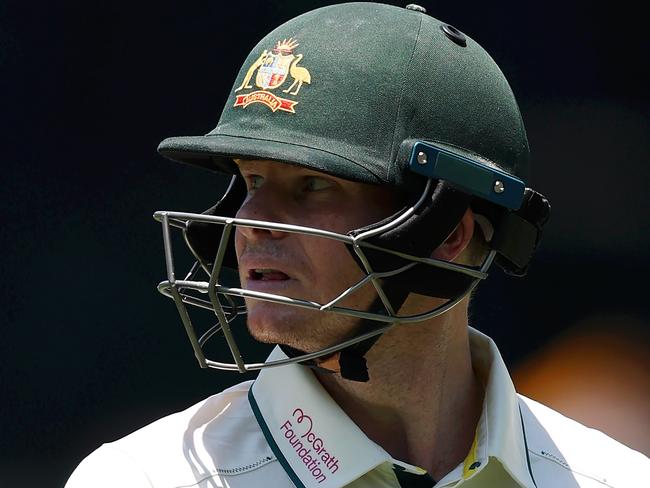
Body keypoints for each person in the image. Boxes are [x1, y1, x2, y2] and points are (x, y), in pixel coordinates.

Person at [66, 3, 648, 487]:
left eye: (313, 185)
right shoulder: (144, 478)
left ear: (448, 233)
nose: (249, 223)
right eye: (251, 181)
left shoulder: (613, 479)